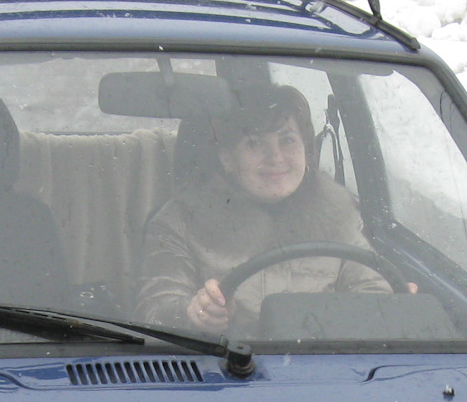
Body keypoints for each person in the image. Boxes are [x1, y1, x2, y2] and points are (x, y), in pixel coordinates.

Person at [135, 84, 390, 333]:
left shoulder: (340, 215)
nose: (275, 156)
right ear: (227, 159)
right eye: (254, 143)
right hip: (224, 358)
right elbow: (155, 310)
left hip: (326, 356)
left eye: (287, 140)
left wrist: (394, 304)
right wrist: (194, 312)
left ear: (306, 150)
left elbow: (373, 295)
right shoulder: (180, 220)